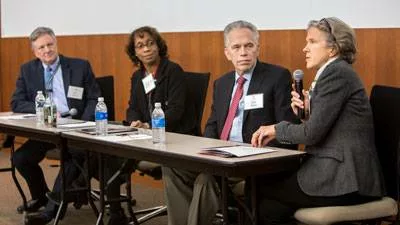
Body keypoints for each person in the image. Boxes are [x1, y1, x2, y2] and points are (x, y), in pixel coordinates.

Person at [162, 20, 297, 225]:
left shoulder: (277, 77)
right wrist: (203, 151)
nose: (243, 52)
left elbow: (287, 130)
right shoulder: (222, 83)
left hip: (251, 160)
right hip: (219, 156)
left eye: (249, 46)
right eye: (236, 47)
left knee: (205, 179)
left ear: (257, 48)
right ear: (228, 53)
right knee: (172, 167)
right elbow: (212, 125)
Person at [251, 17, 384, 225]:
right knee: (270, 207)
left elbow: (312, 134)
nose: (305, 48)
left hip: (346, 179)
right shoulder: (333, 73)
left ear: (333, 49)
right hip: (339, 174)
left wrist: (277, 129)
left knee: (257, 186)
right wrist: (306, 112)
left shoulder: (336, 73)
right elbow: (329, 127)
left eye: (312, 42)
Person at [81, 26, 193, 225]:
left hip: (172, 137)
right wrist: (136, 122)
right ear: (135, 53)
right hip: (143, 136)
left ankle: (80, 186)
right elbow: (132, 108)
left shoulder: (173, 71)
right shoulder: (137, 76)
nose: (147, 49)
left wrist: (150, 125)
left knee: (112, 157)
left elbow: (177, 111)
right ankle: (115, 211)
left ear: (158, 46)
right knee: (106, 150)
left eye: (150, 43)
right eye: (140, 46)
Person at [12, 27, 101, 225]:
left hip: (74, 126)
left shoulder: (79, 66)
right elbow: (17, 102)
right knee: (21, 158)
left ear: (56, 43)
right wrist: (42, 109)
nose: (47, 50)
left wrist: (83, 123)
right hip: (48, 127)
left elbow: (95, 98)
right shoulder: (28, 70)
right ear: (35, 52)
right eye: (41, 47)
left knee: (71, 157)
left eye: (49, 44)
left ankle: (52, 209)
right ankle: (42, 196)